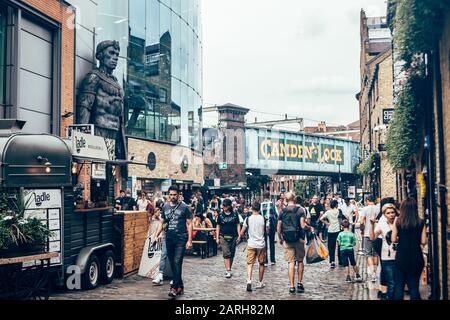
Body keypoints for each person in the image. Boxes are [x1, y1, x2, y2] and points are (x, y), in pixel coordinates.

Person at [152, 185, 193, 298]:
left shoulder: (185, 207)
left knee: (176, 262)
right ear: (168, 195)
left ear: (179, 195)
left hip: (181, 238)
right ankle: (180, 285)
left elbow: (189, 224)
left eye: (175, 195)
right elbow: (162, 222)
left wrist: (189, 240)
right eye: (171, 195)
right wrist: (156, 236)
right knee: (174, 263)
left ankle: (174, 288)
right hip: (169, 238)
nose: (173, 197)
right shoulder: (165, 207)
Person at [391, 198, 426, 300]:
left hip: (402, 257)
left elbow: (393, 239)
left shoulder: (398, 221)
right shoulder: (420, 222)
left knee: (399, 287)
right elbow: (423, 241)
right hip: (416, 257)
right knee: (414, 287)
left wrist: (401, 238)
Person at [277, 192, 308, 295]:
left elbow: (278, 227)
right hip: (298, 239)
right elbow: (303, 226)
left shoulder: (282, 211)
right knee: (299, 261)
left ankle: (291, 286)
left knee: (290, 263)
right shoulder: (300, 210)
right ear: (294, 199)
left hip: (287, 239)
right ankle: (299, 283)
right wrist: (309, 227)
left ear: (286, 200)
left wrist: (280, 237)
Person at [369, 203, 397, 299]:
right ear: (384, 214)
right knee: (391, 283)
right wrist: (372, 225)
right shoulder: (381, 224)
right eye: (388, 213)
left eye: (393, 212)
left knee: (398, 283)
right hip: (387, 257)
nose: (391, 215)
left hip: (400, 256)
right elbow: (372, 237)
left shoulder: (400, 222)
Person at [240, 200, 267, 292]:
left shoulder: (247, 219)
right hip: (261, 244)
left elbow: (242, 231)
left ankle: (249, 281)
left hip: (251, 243)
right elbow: (266, 231)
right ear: (259, 209)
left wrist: (240, 236)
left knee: (250, 263)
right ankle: (260, 282)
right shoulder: (263, 218)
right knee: (261, 263)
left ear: (251, 208)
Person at [216, 198, 241, 278]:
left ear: (229, 206)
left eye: (225, 206)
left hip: (233, 236)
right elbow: (218, 226)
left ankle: (229, 268)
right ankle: (228, 270)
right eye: (223, 206)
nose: (223, 207)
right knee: (226, 253)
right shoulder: (220, 215)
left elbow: (238, 224)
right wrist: (217, 237)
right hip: (223, 236)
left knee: (232, 253)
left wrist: (239, 235)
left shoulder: (234, 214)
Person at [358, 195, 380, 283]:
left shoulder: (365, 209)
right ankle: (375, 272)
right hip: (377, 234)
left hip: (367, 234)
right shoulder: (378, 208)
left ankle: (372, 273)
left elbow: (361, 221)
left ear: (367, 200)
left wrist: (362, 230)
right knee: (375, 254)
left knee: (368, 254)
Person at [320, 199, 342, 268]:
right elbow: (341, 219)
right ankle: (340, 260)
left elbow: (321, 219)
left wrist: (327, 223)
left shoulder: (328, 212)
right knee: (339, 246)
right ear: (336, 205)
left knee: (331, 247)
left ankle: (332, 261)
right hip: (338, 230)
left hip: (331, 230)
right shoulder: (339, 211)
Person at [152, 199, 167, 286]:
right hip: (166, 236)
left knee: (174, 259)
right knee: (163, 255)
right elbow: (162, 224)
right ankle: (160, 275)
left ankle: (175, 278)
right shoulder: (165, 210)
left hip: (176, 237)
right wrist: (156, 236)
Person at [261, 191, 278, 266]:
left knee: (264, 243)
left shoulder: (260, 205)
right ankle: (272, 260)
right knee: (271, 242)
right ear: (269, 196)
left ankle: (265, 260)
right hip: (271, 225)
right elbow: (277, 214)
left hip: (263, 225)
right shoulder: (272, 204)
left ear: (263, 196)